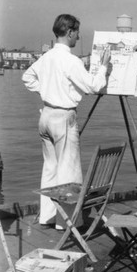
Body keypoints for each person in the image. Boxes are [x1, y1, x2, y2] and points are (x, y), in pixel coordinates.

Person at [22, 14, 111, 229]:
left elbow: (27, 78)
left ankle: (48, 216)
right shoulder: (71, 60)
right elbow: (93, 86)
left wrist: (45, 91)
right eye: (77, 32)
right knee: (68, 169)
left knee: (50, 167)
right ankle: (67, 222)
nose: (78, 37)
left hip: (46, 115)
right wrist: (104, 68)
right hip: (63, 116)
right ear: (69, 32)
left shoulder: (47, 57)